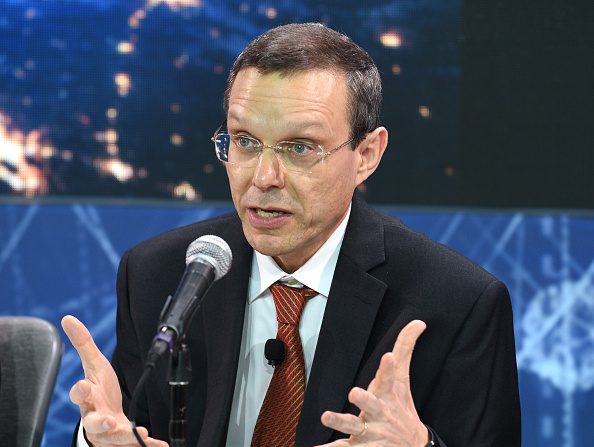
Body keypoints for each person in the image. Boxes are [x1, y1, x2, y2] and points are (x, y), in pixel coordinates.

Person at [62, 23, 521, 447]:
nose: (263, 177)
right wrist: (96, 440)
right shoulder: (160, 275)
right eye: (244, 141)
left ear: (366, 154)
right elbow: (125, 427)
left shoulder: (457, 304)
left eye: (300, 147)